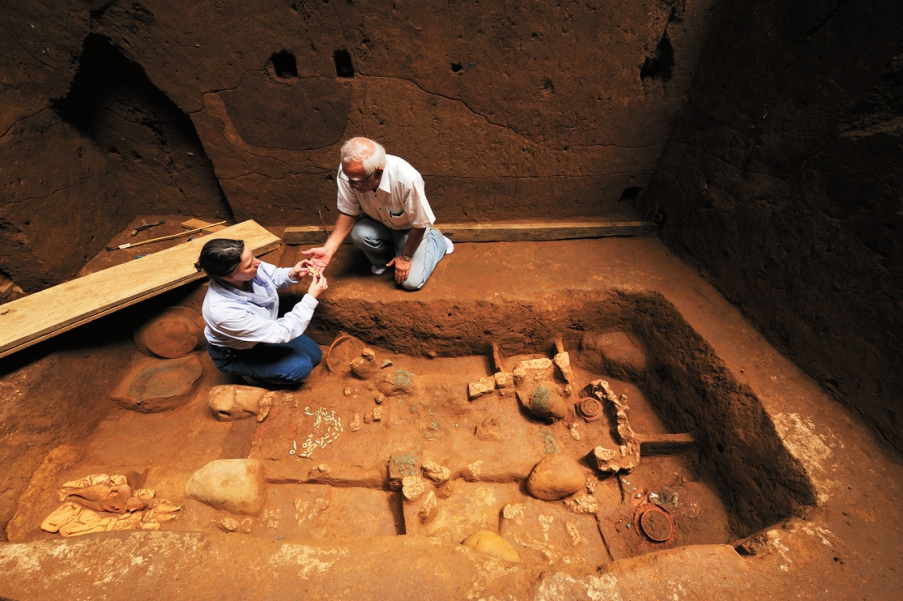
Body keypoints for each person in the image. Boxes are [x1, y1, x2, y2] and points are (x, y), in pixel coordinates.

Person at [303, 137, 453, 290]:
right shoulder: (349, 173)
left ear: (378, 173)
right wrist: (328, 249)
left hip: (409, 229)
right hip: (379, 223)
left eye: (356, 181)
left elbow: (419, 224)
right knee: (359, 233)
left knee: (411, 283)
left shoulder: (407, 179)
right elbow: (349, 213)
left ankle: (436, 241)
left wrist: (405, 257)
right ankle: (388, 258)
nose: (351, 185)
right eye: (348, 179)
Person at [195, 238, 328, 387]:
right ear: (229, 276)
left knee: (315, 355)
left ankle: (267, 361)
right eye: (249, 265)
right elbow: (281, 332)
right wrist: (310, 298)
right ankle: (251, 376)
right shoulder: (222, 311)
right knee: (301, 368)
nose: (257, 263)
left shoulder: (249, 268)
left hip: (262, 334)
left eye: (253, 257)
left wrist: (292, 274)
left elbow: (272, 276)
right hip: (238, 352)